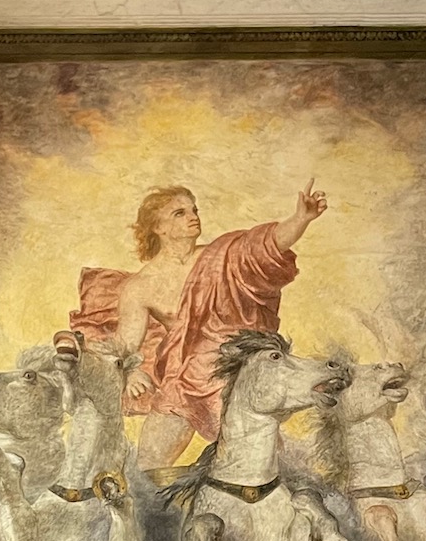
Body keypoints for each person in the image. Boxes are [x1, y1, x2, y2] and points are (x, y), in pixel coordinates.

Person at [70, 180, 329, 470]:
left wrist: (300, 219)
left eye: (194, 210)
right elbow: (125, 344)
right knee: (148, 466)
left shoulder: (223, 256)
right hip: (183, 381)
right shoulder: (140, 286)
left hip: (235, 375)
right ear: (158, 227)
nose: (193, 216)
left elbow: (265, 245)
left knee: (268, 462)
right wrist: (129, 371)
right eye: (179, 213)